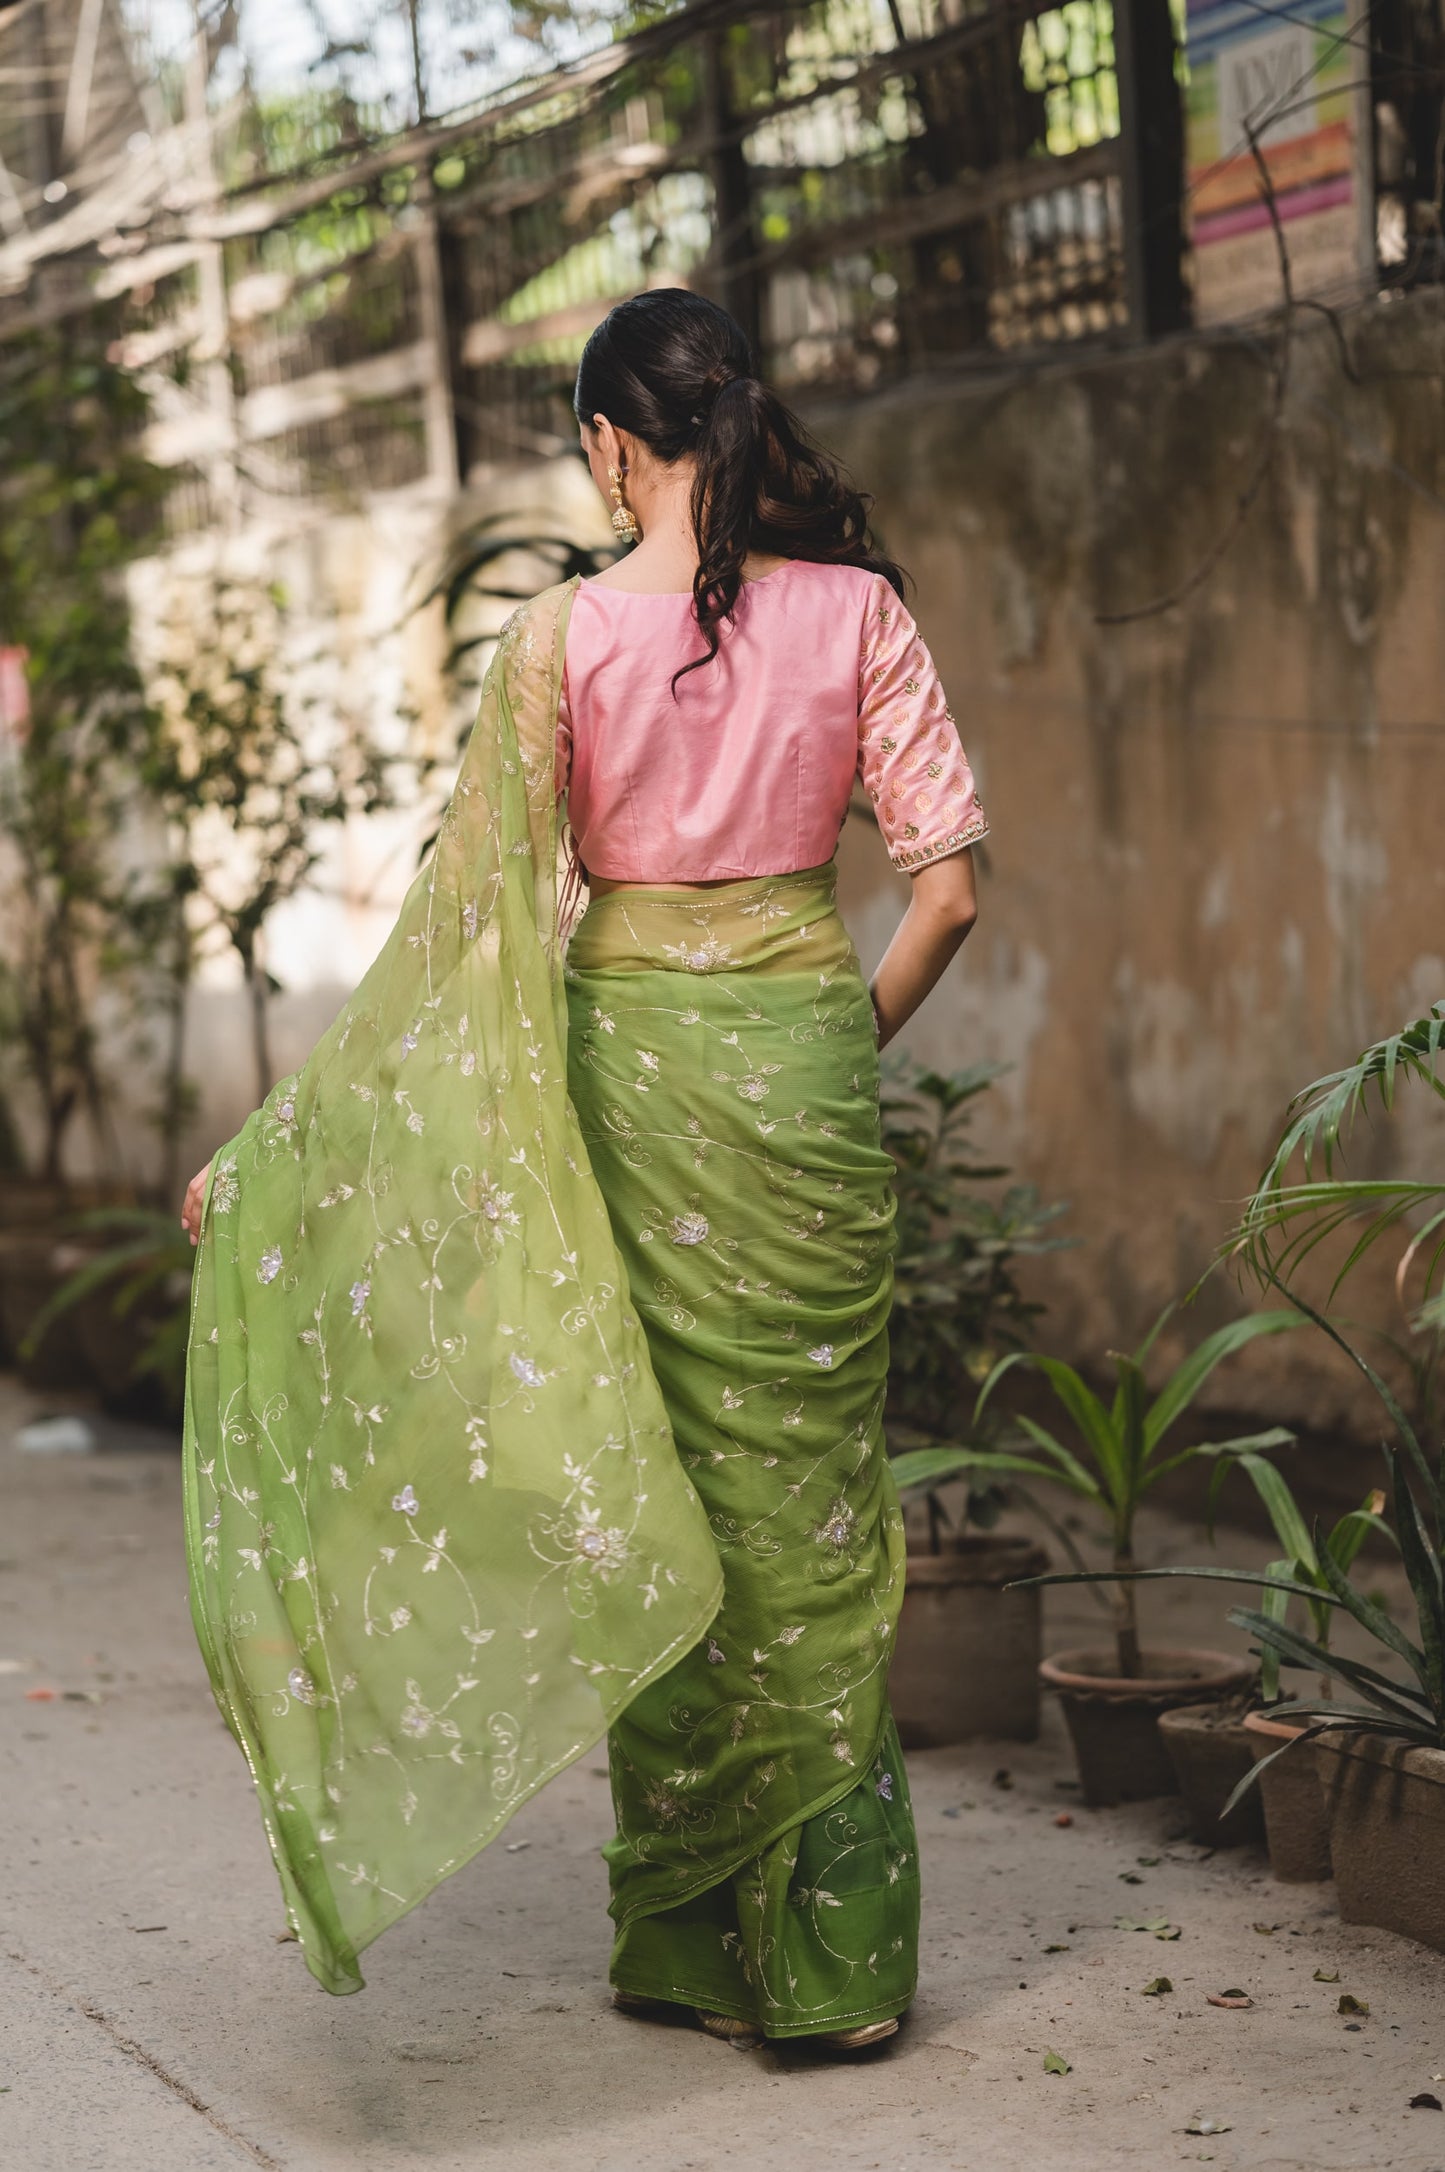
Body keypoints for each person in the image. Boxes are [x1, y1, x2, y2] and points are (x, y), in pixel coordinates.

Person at [180, 289, 986, 2052]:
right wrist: (830, 1036)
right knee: (811, 1507)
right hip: (803, 1078)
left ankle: (693, 1949)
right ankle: (836, 1971)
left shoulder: (557, 643)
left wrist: (283, 1143)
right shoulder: (860, 614)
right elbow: (947, 892)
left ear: (616, 444)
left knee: (664, 1479)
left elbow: (462, 937)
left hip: (636, 1082)